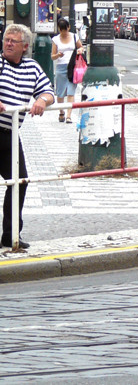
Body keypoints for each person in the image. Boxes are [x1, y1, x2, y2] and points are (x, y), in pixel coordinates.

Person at [0, 24, 55, 248]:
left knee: (20, 181)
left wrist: (42, 100)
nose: (9, 43)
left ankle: (11, 234)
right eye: (6, 40)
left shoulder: (32, 67)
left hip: (10, 135)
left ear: (25, 46)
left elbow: (49, 91)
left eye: (14, 41)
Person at [49, 17, 82, 124]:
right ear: (59, 29)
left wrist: (79, 50)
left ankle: (69, 116)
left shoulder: (74, 36)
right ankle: (61, 112)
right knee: (60, 93)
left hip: (72, 66)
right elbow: (52, 56)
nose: (63, 32)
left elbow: (81, 47)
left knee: (71, 92)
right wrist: (58, 54)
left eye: (65, 30)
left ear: (69, 27)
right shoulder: (55, 39)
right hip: (61, 67)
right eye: (61, 30)